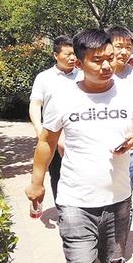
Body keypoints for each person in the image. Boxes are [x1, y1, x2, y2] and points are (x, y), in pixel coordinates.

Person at [25, 29, 133, 263]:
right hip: (76, 201)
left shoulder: (127, 93)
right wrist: (36, 182)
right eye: (97, 60)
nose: (107, 65)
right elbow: (47, 141)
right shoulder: (63, 97)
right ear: (79, 63)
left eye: (110, 58)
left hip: (118, 200)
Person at [28, 35, 82, 201]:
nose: (72, 58)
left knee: (80, 174)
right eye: (67, 54)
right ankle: (62, 206)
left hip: (78, 134)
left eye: (74, 54)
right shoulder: (44, 78)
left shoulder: (83, 76)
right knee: (57, 174)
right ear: (55, 55)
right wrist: (39, 129)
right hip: (52, 134)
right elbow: (35, 104)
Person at [106, 26, 133, 190]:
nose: (124, 52)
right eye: (119, 46)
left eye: (128, 47)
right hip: (99, 146)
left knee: (125, 188)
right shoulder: (95, 73)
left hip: (127, 145)